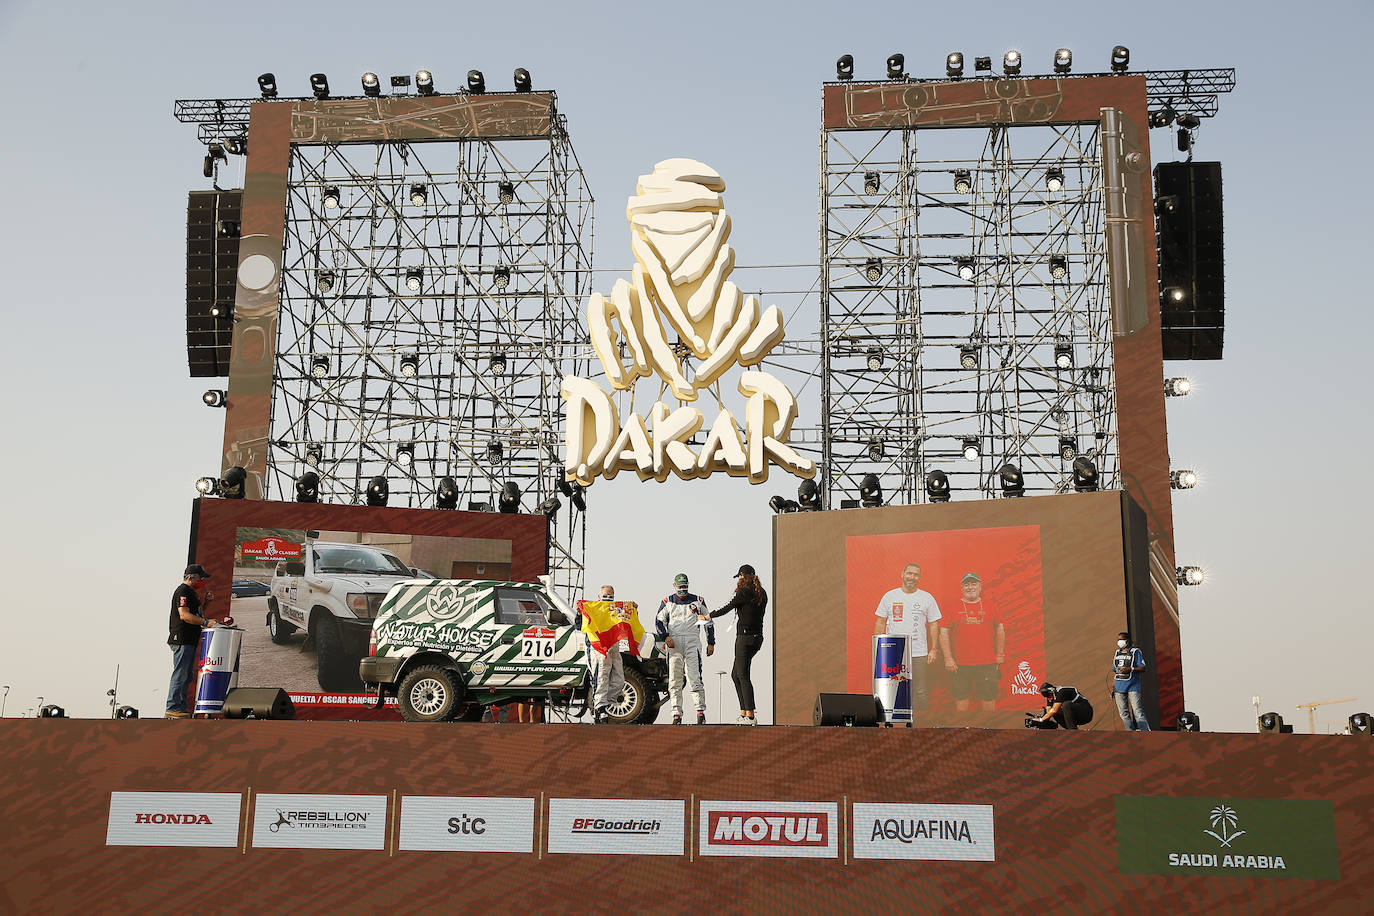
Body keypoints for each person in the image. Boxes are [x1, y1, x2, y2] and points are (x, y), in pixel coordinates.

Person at [872, 562, 942, 711]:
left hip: (919, 654)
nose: (912, 577)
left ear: (919, 577)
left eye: (916, 574)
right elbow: (880, 622)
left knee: (920, 692)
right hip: (894, 653)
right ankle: (891, 724)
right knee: (892, 691)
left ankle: (922, 725)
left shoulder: (926, 597)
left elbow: (934, 624)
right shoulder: (890, 596)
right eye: (909, 573)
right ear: (902, 574)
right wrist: (880, 648)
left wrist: (934, 649)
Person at [707, 564, 767, 725]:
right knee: (736, 674)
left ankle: (751, 716)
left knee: (742, 675)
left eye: (741, 576)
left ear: (745, 576)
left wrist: (707, 616)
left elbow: (727, 607)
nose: (739, 579)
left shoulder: (744, 592)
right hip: (757, 638)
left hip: (745, 638)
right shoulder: (762, 592)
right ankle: (744, 712)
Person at [940, 572, 1005, 712]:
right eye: (966, 584)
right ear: (962, 588)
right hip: (960, 664)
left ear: (980, 586)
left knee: (989, 697)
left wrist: (1000, 654)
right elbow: (943, 632)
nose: (970, 587)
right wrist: (948, 658)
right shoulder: (952, 607)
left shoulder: (991, 606)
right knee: (961, 697)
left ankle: (989, 728)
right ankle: (963, 728)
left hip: (987, 662)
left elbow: (1000, 629)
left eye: (974, 583)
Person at [655, 573, 714, 725]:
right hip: (674, 643)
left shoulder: (698, 600)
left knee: (695, 677)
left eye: (685, 586)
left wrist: (711, 642)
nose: (682, 589)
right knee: (675, 680)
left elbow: (708, 621)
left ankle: (700, 712)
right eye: (680, 586)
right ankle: (676, 714)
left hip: (692, 641)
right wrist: (665, 637)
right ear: (674, 586)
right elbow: (659, 621)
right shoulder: (667, 601)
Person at [166, 564, 216, 719]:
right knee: (180, 674)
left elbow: (196, 613)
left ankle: (180, 707)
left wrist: (206, 603)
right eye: (201, 578)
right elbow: (185, 615)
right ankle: (173, 707)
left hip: (189, 640)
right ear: (192, 577)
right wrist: (206, 622)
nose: (202, 581)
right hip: (182, 638)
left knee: (186, 675)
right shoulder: (183, 591)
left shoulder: (191, 593)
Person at [588, 585, 624, 724]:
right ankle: (600, 707)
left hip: (614, 645)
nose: (608, 599)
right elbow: (579, 625)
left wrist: (633, 611)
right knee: (601, 676)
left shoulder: (616, 610)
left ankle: (600, 703)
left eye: (611, 596)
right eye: (605, 596)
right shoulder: (591, 608)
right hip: (598, 646)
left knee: (619, 679)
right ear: (598, 596)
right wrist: (580, 613)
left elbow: (626, 622)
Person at [1110, 632, 1151, 731]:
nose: (1119, 642)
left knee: (1137, 710)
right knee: (1123, 712)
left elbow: (1143, 668)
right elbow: (1116, 671)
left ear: (1127, 640)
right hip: (1119, 686)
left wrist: (1131, 669)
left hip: (1133, 686)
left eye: (1122, 639)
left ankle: (1145, 731)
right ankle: (1130, 731)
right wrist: (1113, 686)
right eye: (1118, 639)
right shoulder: (1117, 653)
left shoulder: (1135, 652)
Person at [1029, 682, 1094, 729]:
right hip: (1075, 717)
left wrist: (1041, 719)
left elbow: (1054, 710)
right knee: (1054, 712)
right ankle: (1070, 729)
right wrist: (1040, 722)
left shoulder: (1062, 691)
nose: (1047, 697)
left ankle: (1073, 731)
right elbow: (1049, 710)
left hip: (1086, 713)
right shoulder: (1050, 696)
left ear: (1051, 690)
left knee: (1066, 705)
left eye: (1047, 694)